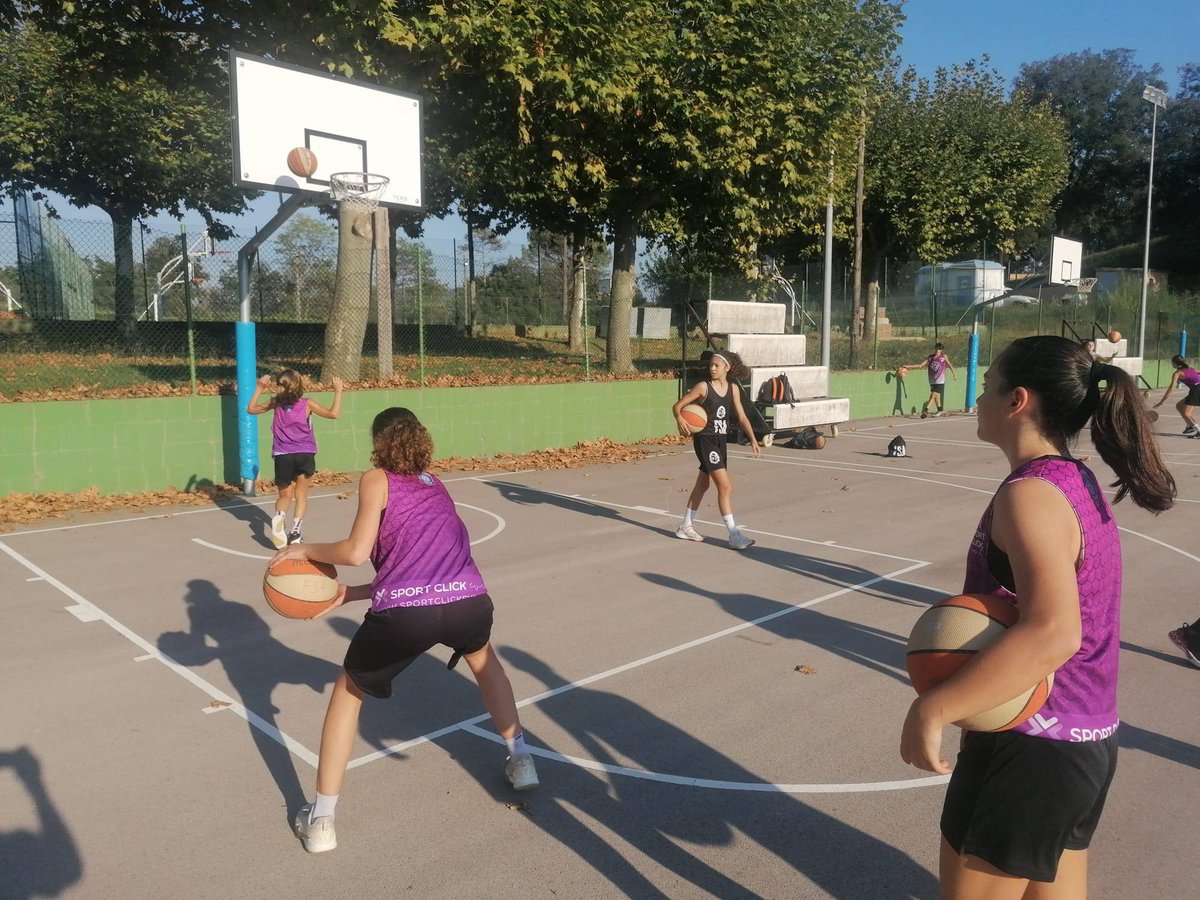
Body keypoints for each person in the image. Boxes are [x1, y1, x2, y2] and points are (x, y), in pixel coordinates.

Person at [900, 335, 1175, 897]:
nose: (977, 398)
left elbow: (1054, 632)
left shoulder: (1030, 495)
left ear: (1016, 400)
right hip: (1083, 739)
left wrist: (934, 708)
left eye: (987, 385)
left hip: (1029, 744)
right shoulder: (1072, 480)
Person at [270, 407, 538, 854]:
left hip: (409, 614)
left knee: (347, 693)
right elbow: (421, 565)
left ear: (379, 442)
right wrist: (351, 595)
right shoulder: (436, 484)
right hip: (468, 601)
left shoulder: (377, 479)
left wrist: (301, 549)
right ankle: (523, 760)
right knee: (487, 666)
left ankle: (321, 821)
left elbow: (356, 551)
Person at [671, 350, 761, 549]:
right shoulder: (703, 387)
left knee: (703, 485)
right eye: (710, 365)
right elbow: (677, 406)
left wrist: (753, 438)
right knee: (726, 487)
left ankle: (685, 525)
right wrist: (680, 419)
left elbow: (742, 417)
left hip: (720, 442)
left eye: (716, 366)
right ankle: (733, 534)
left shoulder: (733, 389)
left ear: (727, 368)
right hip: (705, 440)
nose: (711, 368)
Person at [247, 369, 343, 547]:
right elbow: (333, 413)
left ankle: (280, 516)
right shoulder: (307, 403)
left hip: (283, 455)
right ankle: (295, 533)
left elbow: (251, 410)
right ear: (299, 386)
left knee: (285, 496)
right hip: (305, 454)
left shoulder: (275, 403)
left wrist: (260, 387)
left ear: (279, 387)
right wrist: (337, 391)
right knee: (301, 495)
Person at [1153, 355, 1200, 437]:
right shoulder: (1191, 369)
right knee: (1179, 406)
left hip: (1197, 390)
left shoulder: (1177, 373)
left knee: (1186, 414)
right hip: (1196, 389)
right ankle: (1189, 426)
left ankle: (1198, 431)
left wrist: (1160, 402)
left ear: (1174, 363)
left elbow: (1171, 389)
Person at [906, 343, 956, 418]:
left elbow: (950, 365)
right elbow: (920, 365)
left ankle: (926, 410)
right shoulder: (930, 358)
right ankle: (939, 411)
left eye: (939, 349)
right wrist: (908, 366)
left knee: (933, 395)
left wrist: (954, 374)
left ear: (941, 350)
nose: (937, 350)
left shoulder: (944, 357)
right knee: (937, 397)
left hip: (940, 380)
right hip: (932, 380)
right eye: (936, 348)